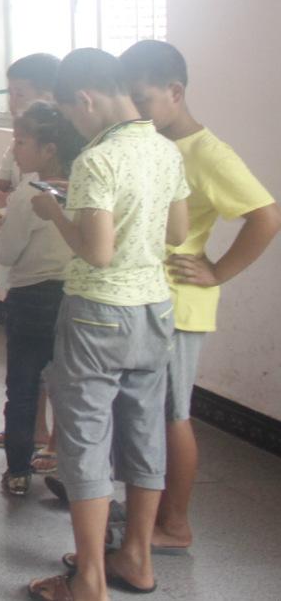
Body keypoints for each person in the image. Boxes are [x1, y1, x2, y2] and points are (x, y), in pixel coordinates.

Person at [25, 48, 190, 601]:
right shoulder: (165, 149)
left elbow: (97, 253)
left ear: (86, 99)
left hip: (98, 313)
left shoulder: (97, 160)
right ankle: (137, 558)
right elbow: (177, 233)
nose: (74, 124)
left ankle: (90, 579)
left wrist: (56, 213)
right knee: (144, 432)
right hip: (155, 310)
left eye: (71, 113)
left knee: (85, 440)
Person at [120, 40, 279, 553]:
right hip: (147, 298)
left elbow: (265, 216)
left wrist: (218, 271)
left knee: (173, 414)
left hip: (180, 305)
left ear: (175, 91)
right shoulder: (153, 142)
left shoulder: (207, 153)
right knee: (148, 413)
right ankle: (150, 509)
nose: (135, 111)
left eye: (142, 100)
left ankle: (175, 525)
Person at [0, 102, 84, 497]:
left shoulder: (29, 193)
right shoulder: (83, 187)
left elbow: (6, 253)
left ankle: (18, 471)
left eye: (22, 142)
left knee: (23, 388)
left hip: (30, 300)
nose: (15, 150)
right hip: (74, 297)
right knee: (71, 388)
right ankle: (75, 471)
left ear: (49, 149)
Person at [0, 53, 62, 208]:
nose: (11, 104)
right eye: (10, 94)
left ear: (47, 99)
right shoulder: (19, 141)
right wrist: (12, 199)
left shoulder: (53, 148)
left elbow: (34, 199)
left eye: (19, 94)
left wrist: (9, 199)